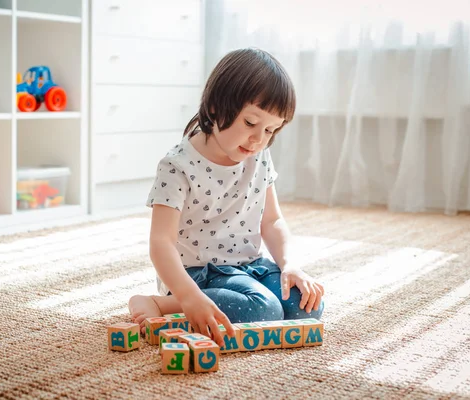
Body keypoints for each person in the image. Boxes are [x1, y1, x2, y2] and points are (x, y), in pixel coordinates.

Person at [128, 48, 325, 347]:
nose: (259, 139)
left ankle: (215, 302)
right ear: (215, 109)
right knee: (264, 309)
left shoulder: (259, 156)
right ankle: (162, 305)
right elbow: (161, 243)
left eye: (271, 129)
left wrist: (290, 265)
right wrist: (187, 295)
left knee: (306, 304)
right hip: (198, 276)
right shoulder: (177, 166)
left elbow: (272, 222)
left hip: (248, 267)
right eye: (250, 123)